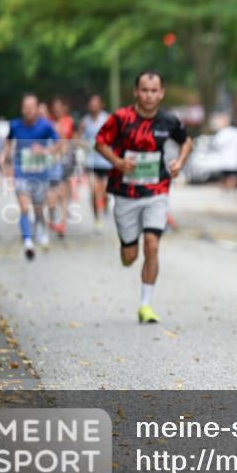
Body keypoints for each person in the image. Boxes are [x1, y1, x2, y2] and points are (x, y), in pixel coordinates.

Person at [95, 70, 192, 324]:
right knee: (130, 256)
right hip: (125, 193)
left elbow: (187, 141)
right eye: (144, 90)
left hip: (156, 189)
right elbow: (100, 142)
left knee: (152, 244)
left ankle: (145, 305)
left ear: (161, 93)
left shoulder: (169, 120)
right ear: (136, 92)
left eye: (154, 91)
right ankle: (126, 249)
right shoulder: (121, 118)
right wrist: (117, 162)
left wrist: (179, 163)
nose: (149, 95)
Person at [2, 93, 59, 259]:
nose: (28, 111)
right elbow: (8, 141)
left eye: (31, 108)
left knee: (38, 208)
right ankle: (27, 241)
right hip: (21, 171)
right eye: (25, 108)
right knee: (24, 207)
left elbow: (59, 144)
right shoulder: (15, 125)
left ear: (36, 109)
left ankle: (41, 228)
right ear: (22, 109)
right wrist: (5, 155)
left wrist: (45, 151)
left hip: (40, 173)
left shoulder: (46, 126)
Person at [79, 93, 112, 227]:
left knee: (105, 191)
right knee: (92, 191)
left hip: (105, 161)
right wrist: (85, 144)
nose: (94, 106)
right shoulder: (85, 121)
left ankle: (106, 203)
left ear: (101, 105)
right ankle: (96, 217)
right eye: (91, 104)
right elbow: (78, 138)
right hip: (91, 161)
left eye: (96, 104)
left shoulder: (107, 119)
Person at [50, 96, 76, 237]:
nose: (57, 110)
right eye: (55, 107)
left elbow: (73, 139)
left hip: (66, 159)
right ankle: (55, 216)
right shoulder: (50, 122)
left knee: (63, 191)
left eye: (59, 107)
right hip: (54, 160)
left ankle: (63, 223)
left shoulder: (69, 121)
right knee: (55, 191)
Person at [211, 116, 237, 192]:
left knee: (224, 177)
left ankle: (226, 190)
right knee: (233, 176)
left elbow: (216, 144)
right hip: (235, 159)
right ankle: (232, 189)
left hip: (224, 160)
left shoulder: (223, 132)